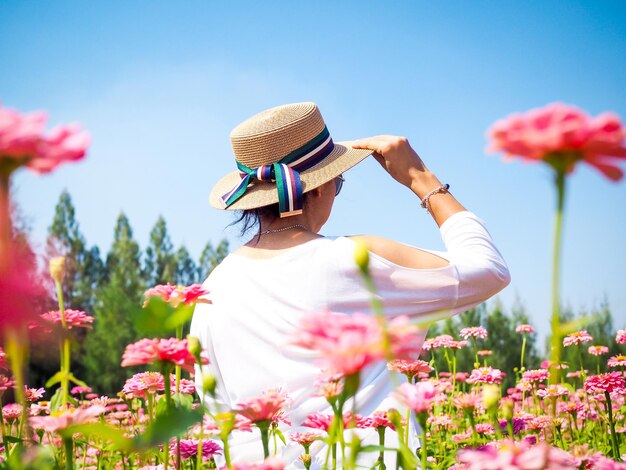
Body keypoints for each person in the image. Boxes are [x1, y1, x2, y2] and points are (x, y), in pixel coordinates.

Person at [190, 102, 511, 468]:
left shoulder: (211, 292)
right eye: (337, 183)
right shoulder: (351, 259)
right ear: (317, 188)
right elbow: (489, 269)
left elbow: (219, 415)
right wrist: (422, 179)